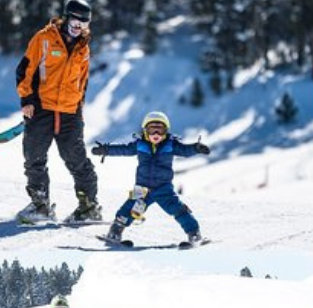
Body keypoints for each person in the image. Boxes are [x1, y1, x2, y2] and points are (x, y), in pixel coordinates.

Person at [15, 0, 102, 224]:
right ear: (66, 17)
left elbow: (82, 83)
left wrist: (79, 111)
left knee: (77, 160)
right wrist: (27, 99)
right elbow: (25, 69)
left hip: (69, 113)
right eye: (75, 19)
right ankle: (40, 204)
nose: (78, 25)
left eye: (84, 21)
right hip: (42, 108)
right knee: (34, 157)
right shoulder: (44, 38)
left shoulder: (84, 48)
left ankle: (89, 206)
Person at [91, 111, 212, 245]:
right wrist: (106, 150)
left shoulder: (171, 145)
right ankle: (115, 232)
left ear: (166, 131)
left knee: (178, 210)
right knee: (129, 209)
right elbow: (123, 149)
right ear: (145, 131)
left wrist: (196, 148)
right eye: (152, 130)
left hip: (163, 188)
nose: (156, 134)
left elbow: (185, 150)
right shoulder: (139, 144)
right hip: (142, 188)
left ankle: (194, 234)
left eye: (160, 130)